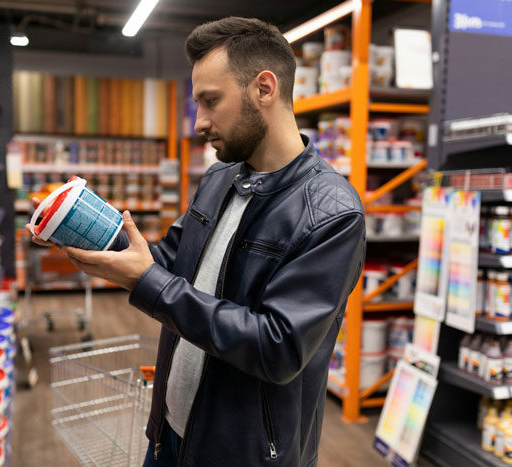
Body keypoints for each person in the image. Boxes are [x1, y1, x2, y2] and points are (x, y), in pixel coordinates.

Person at [29, 16, 365, 467]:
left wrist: (149, 283)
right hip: (170, 433)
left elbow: (277, 348)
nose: (200, 122)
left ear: (264, 89)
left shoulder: (332, 214)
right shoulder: (220, 177)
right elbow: (171, 259)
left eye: (211, 101)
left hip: (243, 454)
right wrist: (84, 228)